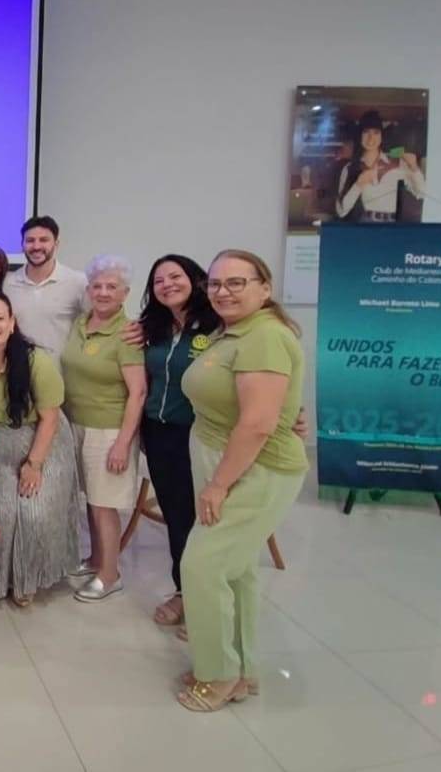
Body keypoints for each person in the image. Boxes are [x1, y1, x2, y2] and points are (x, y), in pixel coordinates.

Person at [176, 250, 308, 712]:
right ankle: (241, 669)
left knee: (203, 566)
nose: (222, 291)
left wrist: (218, 486)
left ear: (264, 288)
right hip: (222, 456)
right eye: (214, 283)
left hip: (255, 468)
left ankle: (218, 675)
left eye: (236, 282)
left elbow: (256, 425)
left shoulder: (265, 337)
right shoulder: (234, 331)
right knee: (236, 570)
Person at [0, 289, 78, 606]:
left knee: (34, 511)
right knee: (1, 513)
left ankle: (30, 578)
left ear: (12, 323)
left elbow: (50, 418)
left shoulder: (37, 360)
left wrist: (34, 464)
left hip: (43, 438)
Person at [137, 254, 221, 627]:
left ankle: (211, 602)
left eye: (175, 276)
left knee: (207, 519)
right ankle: (185, 592)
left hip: (201, 435)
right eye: (159, 281)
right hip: (158, 432)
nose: (167, 284)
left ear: (195, 279)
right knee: (177, 516)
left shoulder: (218, 325)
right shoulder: (154, 328)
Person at [61, 255, 146, 601]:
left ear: (125, 292)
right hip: (76, 423)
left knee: (103, 504)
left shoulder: (127, 334)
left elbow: (138, 392)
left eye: (112, 286)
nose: (103, 292)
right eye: (97, 285)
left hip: (108, 430)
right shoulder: (82, 322)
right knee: (91, 500)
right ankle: (97, 559)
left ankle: (110, 575)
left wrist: (123, 444)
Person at [3, 216, 87, 358]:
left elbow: (100, 320)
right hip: (18, 372)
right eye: (30, 240)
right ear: (22, 244)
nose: (36, 247)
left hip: (61, 375)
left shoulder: (78, 282)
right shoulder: (7, 284)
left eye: (44, 240)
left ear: (56, 243)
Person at [336, 110, 425, 222]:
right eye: (366, 132)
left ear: (382, 135)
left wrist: (414, 167)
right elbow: (341, 211)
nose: (371, 138)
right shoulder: (350, 168)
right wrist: (359, 184)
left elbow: (421, 193)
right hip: (365, 226)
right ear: (360, 135)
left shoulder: (397, 162)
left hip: (393, 228)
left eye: (376, 132)